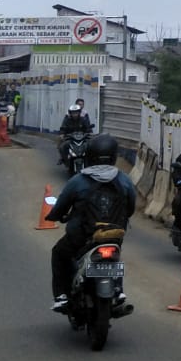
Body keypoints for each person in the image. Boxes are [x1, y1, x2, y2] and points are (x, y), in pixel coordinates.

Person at [47, 133, 137, 313]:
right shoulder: (124, 180)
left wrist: (54, 216)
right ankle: (118, 290)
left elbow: (62, 205)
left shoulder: (78, 181)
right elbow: (131, 207)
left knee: (59, 253)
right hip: (114, 234)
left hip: (81, 236)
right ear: (113, 156)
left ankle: (61, 296)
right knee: (113, 257)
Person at [57, 100, 93, 168]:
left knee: (91, 145)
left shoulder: (83, 119)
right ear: (70, 113)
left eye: (76, 112)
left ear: (79, 112)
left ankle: (90, 160)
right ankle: (63, 158)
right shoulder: (67, 119)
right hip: (70, 138)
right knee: (62, 146)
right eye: (73, 113)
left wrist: (90, 132)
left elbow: (88, 128)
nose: (75, 114)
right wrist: (62, 134)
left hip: (82, 138)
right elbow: (63, 127)